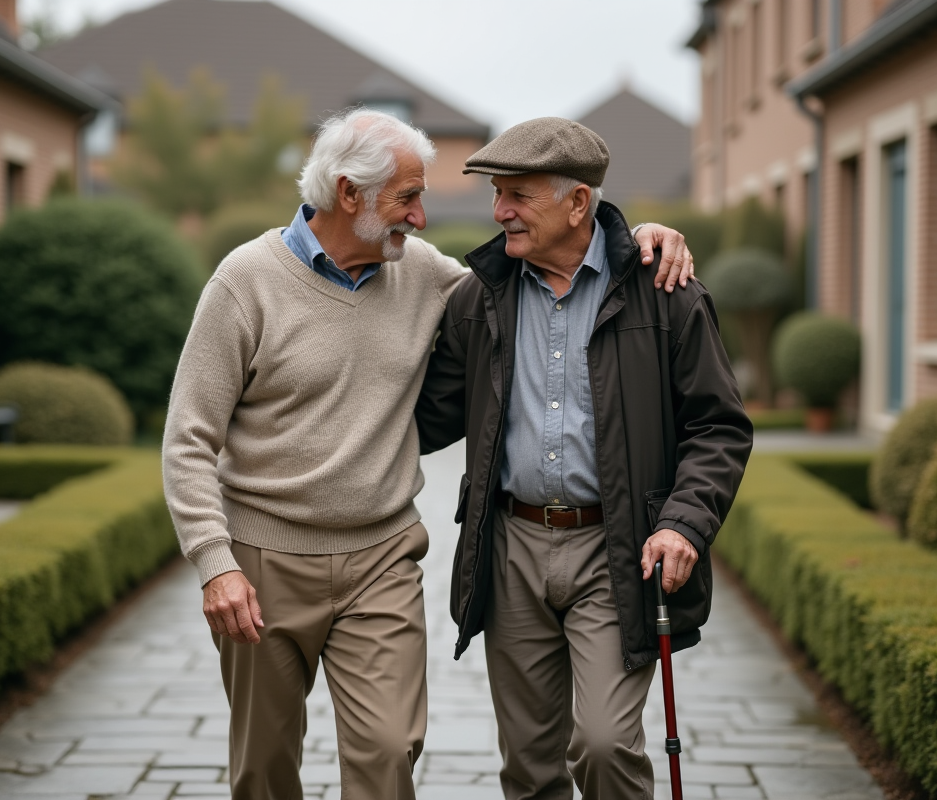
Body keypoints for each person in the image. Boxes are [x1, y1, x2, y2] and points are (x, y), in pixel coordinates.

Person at [161, 108, 695, 800]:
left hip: (381, 557)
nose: (420, 218)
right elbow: (188, 438)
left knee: (389, 753)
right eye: (408, 198)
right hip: (265, 561)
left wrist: (639, 242)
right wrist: (215, 564)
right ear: (350, 195)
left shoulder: (424, 275)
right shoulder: (245, 282)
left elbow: (552, 263)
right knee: (263, 767)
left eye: (421, 200)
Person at [415, 117, 753, 800]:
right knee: (529, 764)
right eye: (497, 193)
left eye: (518, 195)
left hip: (618, 546)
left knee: (603, 745)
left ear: (578, 204)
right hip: (511, 546)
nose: (499, 210)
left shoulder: (665, 290)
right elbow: (422, 419)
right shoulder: (479, 297)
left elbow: (718, 426)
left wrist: (684, 523)